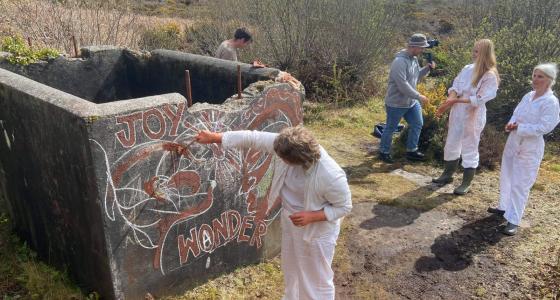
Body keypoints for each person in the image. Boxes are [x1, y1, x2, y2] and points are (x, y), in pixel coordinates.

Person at [194, 126, 352, 300]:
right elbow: (252, 138)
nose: (278, 158)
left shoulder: (331, 175)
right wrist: (216, 137)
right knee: (291, 270)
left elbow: (344, 207)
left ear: (296, 159)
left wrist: (312, 217)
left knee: (316, 279)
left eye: (282, 158)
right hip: (291, 221)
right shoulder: (284, 143)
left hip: (317, 232)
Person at [487, 63, 559, 236]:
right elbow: (516, 113)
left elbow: (546, 126)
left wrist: (520, 127)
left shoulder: (551, 102)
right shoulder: (528, 95)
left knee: (521, 183)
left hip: (530, 146)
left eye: (540, 76)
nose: (535, 79)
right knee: (507, 175)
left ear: (549, 80)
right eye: (534, 75)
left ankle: (514, 219)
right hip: (514, 141)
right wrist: (511, 124)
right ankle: (503, 207)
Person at [433, 39, 500, 195]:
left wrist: (454, 100)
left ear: (485, 54)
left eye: (477, 51)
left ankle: (466, 182)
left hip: (473, 114)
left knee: (470, 146)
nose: (473, 54)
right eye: (473, 50)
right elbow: (455, 86)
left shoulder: (490, 76)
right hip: (457, 111)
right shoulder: (467, 68)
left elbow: (480, 99)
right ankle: (447, 174)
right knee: (451, 142)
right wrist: (451, 98)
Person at [378, 33, 435, 163]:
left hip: (411, 102)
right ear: (414, 47)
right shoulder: (399, 62)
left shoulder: (413, 59)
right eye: (421, 48)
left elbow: (415, 77)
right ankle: (384, 151)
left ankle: (411, 151)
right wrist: (418, 96)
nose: (423, 50)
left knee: (417, 123)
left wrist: (427, 69)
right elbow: (402, 84)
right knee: (390, 128)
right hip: (396, 103)